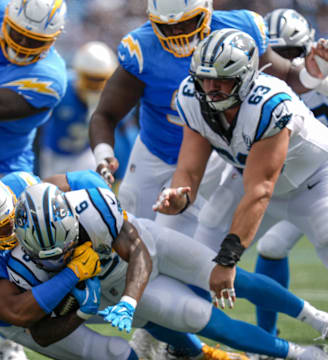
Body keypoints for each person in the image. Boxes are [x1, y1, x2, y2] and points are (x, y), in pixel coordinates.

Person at [89, 0, 328, 238]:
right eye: (167, 26)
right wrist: (103, 154)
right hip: (156, 151)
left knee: (180, 240)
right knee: (129, 230)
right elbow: (105, 114)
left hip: (212, 152)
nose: (177, 31)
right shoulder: (141, 48)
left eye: (186, 22)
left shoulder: (241, 29)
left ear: (205, 11)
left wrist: (310, 75)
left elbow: (283, 75)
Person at [13, 182, 328, 360]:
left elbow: (139, 255)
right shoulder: (21, 264)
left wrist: (129, 302)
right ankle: (297, 354)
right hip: (114, 284)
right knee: (203, 320)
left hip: (150, 248)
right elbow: (39, 333)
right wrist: (81, 310)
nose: (60, 255)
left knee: (227, 277)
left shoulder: (90, 206)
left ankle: (316, 318)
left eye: (64, 244)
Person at [153, 25, 328, 340]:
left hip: (314, 180)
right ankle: (182, 342)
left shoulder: (269, 103)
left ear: (246, 77)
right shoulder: (192, 97)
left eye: (221, 80)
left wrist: (229, 258)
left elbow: (261, 190)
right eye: (204, 78)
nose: (211, 87)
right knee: (198, 253)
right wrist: (179, 194)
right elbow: (190, 171)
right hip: (248, 176)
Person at [0, 170, 138, 360]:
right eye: (1, 228)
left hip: (67, 280)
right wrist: (72, 273)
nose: (14, 229)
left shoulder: (18, 186)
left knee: (155, 313)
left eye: (13, 217)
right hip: (28, 316)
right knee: (113, 354)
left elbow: (76, 182)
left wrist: (106, 205)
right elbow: (16, 311)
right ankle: (4, 340)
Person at [253, 8, 328, 336]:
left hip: (321, 177)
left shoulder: (321, 79)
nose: (281, 61)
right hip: (290, 181)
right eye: (275, 53)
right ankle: (266, 337)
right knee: (270, 247)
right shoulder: (259, 87)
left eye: (289, 53)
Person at [0, 0, 67, 177]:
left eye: (34, 41)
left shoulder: (50, 79)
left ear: (52, 40)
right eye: (17, 33)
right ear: (6, 20)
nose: (22, 44)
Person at [39, 41, 139, 181]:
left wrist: (124, 174)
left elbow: (127, 132)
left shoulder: (112, 96)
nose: (95, 85)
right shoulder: (63, 90)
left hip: (86, 154)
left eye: (100, 79)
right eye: (90, 79)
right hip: (55, 154)